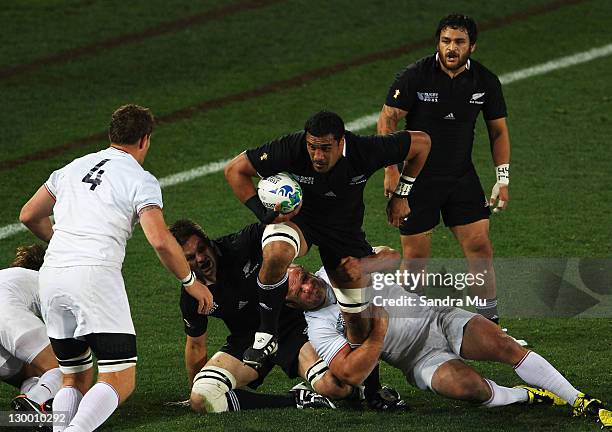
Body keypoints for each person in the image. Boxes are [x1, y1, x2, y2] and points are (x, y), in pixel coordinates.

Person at [19, 104, 213, 432]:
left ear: (112, 135)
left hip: (52, 276)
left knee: (74, 378)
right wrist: (191, 281)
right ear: (145, 140)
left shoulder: (70, 169)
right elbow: (161, 240)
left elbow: (28, 214)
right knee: (119, 378)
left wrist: (64, 243)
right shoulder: (139, 178)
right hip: (94, 276)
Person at [285, 252, 610, 425]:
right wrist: (379, 331)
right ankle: (524, 395)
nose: (308, 287)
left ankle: (582, 401)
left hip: (438, 320)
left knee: (502, 344)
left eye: (305, 278)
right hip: (418, 360)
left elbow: (392, 256)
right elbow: (349, 374)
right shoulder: (319, 327)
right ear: (291, 304)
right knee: (470, 389)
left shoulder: (339, 269)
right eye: (298, 291)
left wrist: (366, 264)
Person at [224, 110, 431, 366]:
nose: (317, 156)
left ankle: (371, 389)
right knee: (276, 252)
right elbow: (235, 170)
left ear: (341, 141)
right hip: (302, 222)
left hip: (344, 233)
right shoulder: (291, 147)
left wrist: (402, 193)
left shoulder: (366, 150)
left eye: (325, 148)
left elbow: (421, 143)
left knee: (357, 322)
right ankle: (267, 334)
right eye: (312, 147)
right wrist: (263, 214)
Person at [169, 218, 406, 413]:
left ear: (209, 243)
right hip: (250, 342)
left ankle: (367, 388)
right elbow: (196, 346)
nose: (200, 258)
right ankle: (297, 399)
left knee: (337, 387)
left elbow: (284, 233)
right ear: (178, 262)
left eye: (201, 249)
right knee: (202, 399)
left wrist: (282, 214)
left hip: (291, 327)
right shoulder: (191, 294)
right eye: (189, 257)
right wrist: (192, 388)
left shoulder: (242, 243)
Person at [377, 14, 510, 324]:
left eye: (459, 42)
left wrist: (502, 179)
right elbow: (387, 119)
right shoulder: (416, 76)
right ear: (438, 42)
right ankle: (408, 324)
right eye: (446, 41)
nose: (452, 48)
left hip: (460, 176)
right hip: (417, 180)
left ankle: (490, 322)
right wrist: (391, 170)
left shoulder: (485, 81)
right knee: (416, 259)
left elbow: (498, 132)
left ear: (472, 46)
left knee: (480, 247)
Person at [1, 245, 62, 419]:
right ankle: (35, 400)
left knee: (33, 373)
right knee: (68, 366)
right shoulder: (44, 278)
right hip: (6, 312)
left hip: (7, 314)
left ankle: (31, 408)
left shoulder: (8, 276)